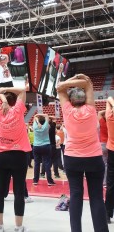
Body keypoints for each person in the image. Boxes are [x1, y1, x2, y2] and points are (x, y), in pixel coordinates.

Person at [57, 73, 108, 232]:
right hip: (94, 158)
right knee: (97, 198)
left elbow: (59, 87)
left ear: (71, 101)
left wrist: (70, 80)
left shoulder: (67, 111)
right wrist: (83, 78)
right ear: (85, 98)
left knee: (76, 196)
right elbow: (88, 84)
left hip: (73, 158)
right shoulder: (91, 109)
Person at [0, 85, 31, 232]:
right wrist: (6, 88)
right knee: (19, 192)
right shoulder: (17, 111)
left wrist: (1, 96)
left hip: (1, 156)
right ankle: (18, 226)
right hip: (19, 156)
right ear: (15, 102)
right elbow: (22, 91)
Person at [32, 114, 55, 186]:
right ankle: (49, 181)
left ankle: (35, 180)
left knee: (36, 164)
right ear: (45, 121)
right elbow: (46, 115)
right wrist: (41, 116)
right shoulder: (46, 126)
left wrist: (37, 118)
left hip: (36, 146)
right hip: (46, 145)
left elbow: (35, 116)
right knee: (47, 164)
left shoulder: (35, 126)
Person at [104, 97, 114, 223]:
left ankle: (107, 214)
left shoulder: (110, 117)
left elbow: (108, 99)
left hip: (112, 151)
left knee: (111, 184)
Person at [98, 110, 108, 187]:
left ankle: (104, 182)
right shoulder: (111, 121)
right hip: (110, 144)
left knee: (103, 163)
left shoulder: (102, 121)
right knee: (109, 164)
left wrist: (107, 110)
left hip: (103, 144)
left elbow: (99, 113)